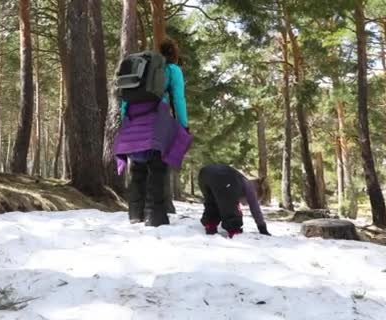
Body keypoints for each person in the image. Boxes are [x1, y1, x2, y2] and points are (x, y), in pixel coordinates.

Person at [114, 39, 191, 227]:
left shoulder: (140, 69)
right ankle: (154, 216)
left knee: (137, 169)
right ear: (174, 54)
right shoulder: (172, 70)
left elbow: (125, 100)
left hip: (133, 121)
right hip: (156, 121)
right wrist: (183, 125)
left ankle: (134, 213)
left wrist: (126, 122)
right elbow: (178, 99)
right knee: (157, 169)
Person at [198, 164, 271, 237]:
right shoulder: (249, 186)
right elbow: (255, 209)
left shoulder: (239, 181)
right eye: (248, 202)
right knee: (231, 206)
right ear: (257, 192)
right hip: (223, 176)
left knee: (213, 202)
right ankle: (234, 231)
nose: (245, 204)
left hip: (204, 174)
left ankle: (210, 225)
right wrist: (262, 228)